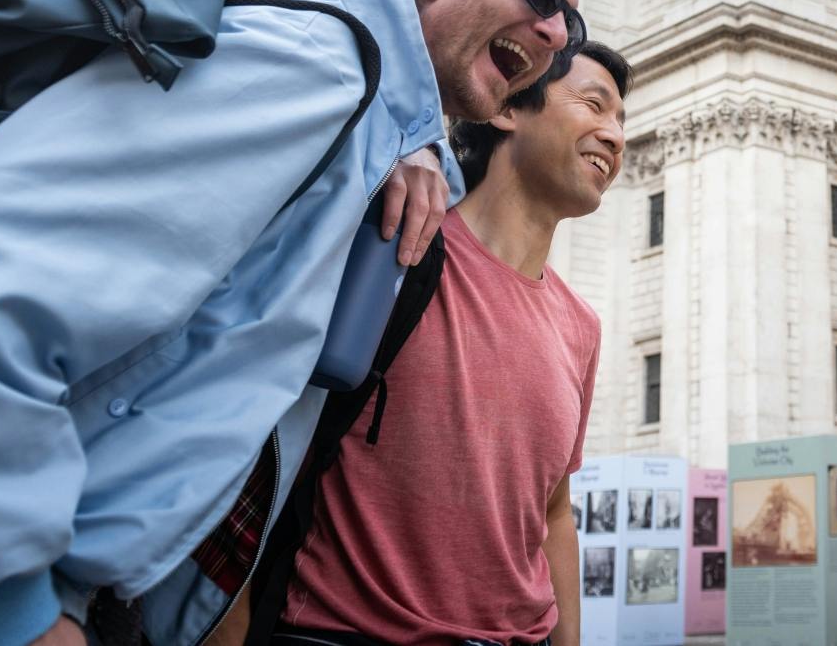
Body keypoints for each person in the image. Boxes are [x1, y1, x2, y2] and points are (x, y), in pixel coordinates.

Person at [0, 0, 599, 646]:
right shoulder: (313, 69)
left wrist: (411, 138)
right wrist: (12, 612)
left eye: (570, 28)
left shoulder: (358, 97)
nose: (555, 31)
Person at [262, 42, 627, 646]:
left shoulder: (581, 325)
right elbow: (268, 440)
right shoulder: (392, 249)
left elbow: (555, 512)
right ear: (509, 107)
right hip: (343, 633)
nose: (615, 137)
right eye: (595, 105)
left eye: (621, 121)